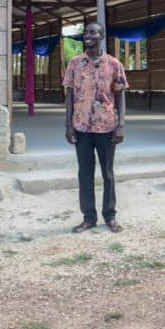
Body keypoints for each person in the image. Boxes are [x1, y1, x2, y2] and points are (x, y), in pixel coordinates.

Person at [62, 22, 127, 234]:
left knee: (108, 173)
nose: (87, 36)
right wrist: (69, 125)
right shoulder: (74, 63)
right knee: (85, 173)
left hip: (107, 127)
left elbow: (120, 95)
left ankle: (110, 216)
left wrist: (121, 125)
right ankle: (88, 218)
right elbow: (70, 95)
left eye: (92, 32)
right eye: (86, 32)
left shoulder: (114, 64)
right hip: (81, 127)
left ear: (101, 36)